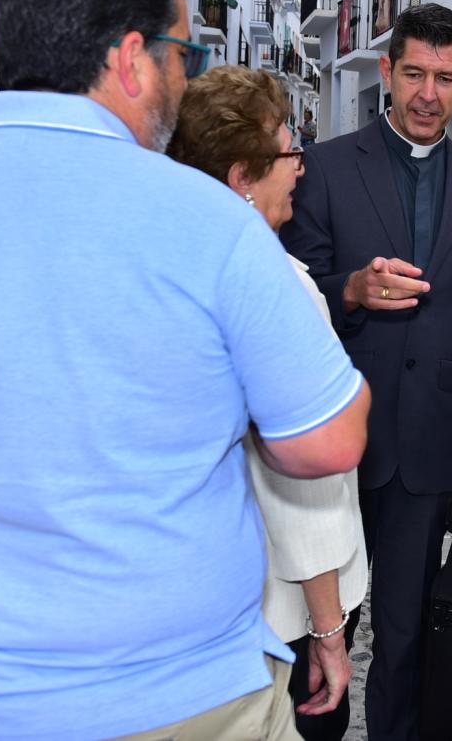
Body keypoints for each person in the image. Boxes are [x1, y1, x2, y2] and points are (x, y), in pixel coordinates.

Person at [0, 0, 370, 741]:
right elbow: (324, 442)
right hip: (174, 700)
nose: (184, 79)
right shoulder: (211, 223)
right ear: (128, 58)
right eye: (182, 52)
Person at [281, 2, 452, 741]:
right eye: (413, 72)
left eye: (445, 78)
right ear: (387, 70)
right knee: (321, 633)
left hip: (429, 458)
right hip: (334, 453)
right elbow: (291, 294)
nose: (426, 93)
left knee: (408, 637)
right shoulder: (326, 170)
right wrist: (351, 290)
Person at [167, 65, 367, 741]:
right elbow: (303, 486)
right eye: (289, 153)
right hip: (272, 620)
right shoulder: (272, 285)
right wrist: (331, 630)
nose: (300, 171)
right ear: (240, 178)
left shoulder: (168, 261)